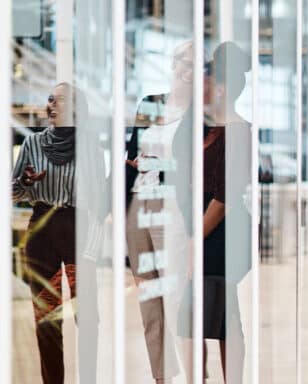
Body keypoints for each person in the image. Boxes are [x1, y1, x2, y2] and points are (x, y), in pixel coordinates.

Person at [12, 82, 102, 384]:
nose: (51, 104)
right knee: (47, 321)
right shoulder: (32, 144)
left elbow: (100, 204)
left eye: (60, 100)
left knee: (87, 317)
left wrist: (92, 251)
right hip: (41, 232)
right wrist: (25, 182)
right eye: (50, 99)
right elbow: (12, 193)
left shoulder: (90, 148)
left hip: (78, 228)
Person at [176, 41, 252, 384]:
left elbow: (225, 196)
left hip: (221, 233)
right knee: (203, 317)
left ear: (220, 88)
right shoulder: (203, 129)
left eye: (206, 80)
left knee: (221, 316)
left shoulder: (238, 131)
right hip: (203, 230)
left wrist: (195, 240)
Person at [125, 41, 194, 384]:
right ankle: (163, 377)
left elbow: (198, 167)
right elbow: (130, 153)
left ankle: (192, 373)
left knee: (176, 297)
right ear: (172, 62)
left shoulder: (200, 113)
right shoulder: (150, 104)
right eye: (182, 61)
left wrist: (162, 163)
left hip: (171, 207)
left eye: (194, 64)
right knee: (149, 298)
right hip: (138, 202)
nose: (186, 68)